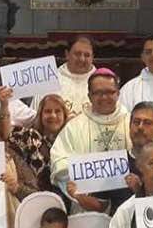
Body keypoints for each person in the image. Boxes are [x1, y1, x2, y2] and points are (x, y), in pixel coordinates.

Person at [51, 69, 131, 213]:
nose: (104, 97)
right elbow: (59, 161)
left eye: (110, 92)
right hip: (86, 207)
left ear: (118, 93)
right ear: (89, 96)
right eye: (98, 93)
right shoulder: (74, 126)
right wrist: (82, 193)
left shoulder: (132, 122)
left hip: (127, 204)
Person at [8, 93, 68, 199]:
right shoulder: (27, 136)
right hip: (30, 199)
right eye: (48, 111)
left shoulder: (69, 143)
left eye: (58, 111)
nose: (53, 115)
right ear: (40, 115)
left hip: (65, 201)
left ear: (65, 116)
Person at [36, 35, 95, 118]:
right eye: (77, 54)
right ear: (67, 54)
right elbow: (37, 117)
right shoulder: (49, 80)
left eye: (87, 55)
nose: (82, 59)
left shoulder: (101, 82)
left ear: (92, 57)